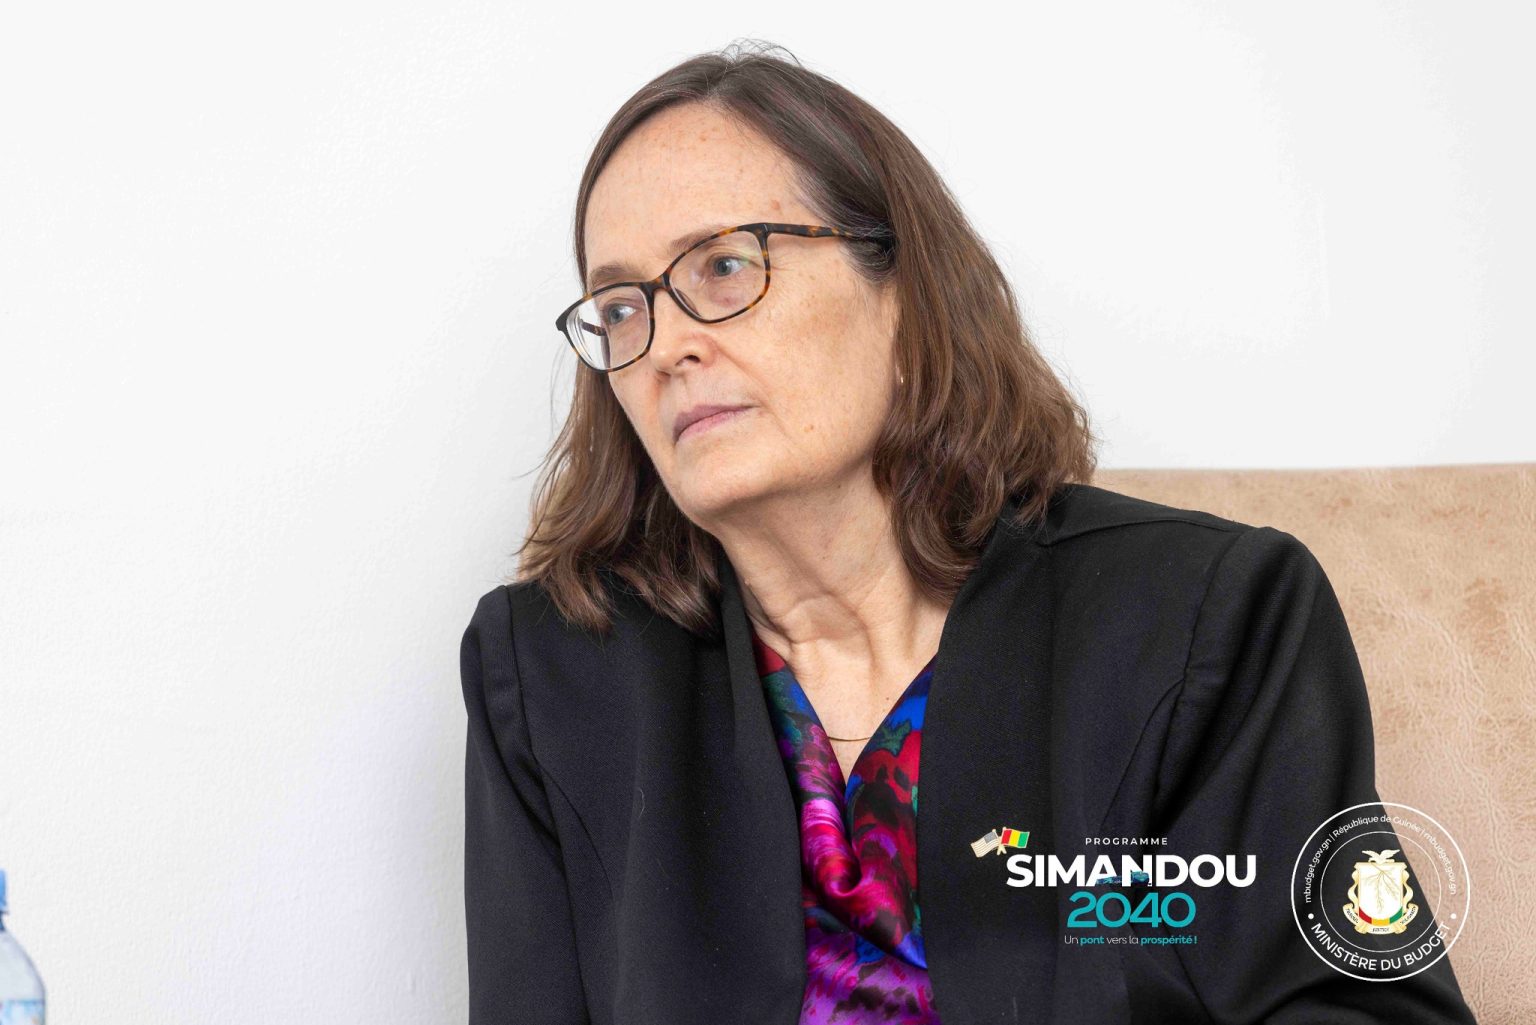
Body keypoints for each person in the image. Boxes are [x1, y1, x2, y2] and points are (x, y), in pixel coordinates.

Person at [459, 42, 1478, 1024]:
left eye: (724, 266)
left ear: (904, 299)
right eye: (620, 308)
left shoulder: (1211, 617)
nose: (666, 345)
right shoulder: (551, 679)